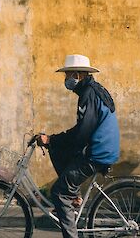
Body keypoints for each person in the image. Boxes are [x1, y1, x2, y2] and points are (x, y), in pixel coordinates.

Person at [36, 54, 120, 238]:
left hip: (98, 152)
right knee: (59, 149)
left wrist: (52, 139)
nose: (66, 80)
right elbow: (82, 132)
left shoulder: (88, 94)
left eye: (67, 75)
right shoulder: (92, 89)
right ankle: (73, 195)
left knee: (58, 192)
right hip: (102, 148)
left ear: (77, 75)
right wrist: (55, 141)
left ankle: (70, 202)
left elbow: (82, 132)